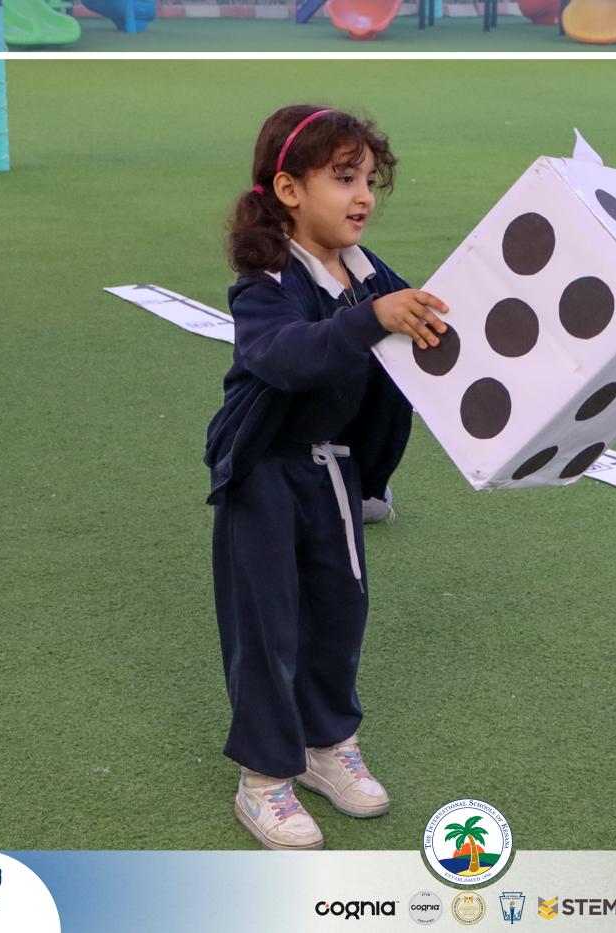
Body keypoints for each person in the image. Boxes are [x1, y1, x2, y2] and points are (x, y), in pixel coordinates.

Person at [204, 105, 449, 850]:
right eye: (343, 178)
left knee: (341, 613)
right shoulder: (266, 281)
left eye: (369, 179)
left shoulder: (370, 272)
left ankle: (325, 745)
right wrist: (374, 318)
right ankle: (263, 779)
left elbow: (430, 335)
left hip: (335, 470)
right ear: (288, 189)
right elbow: (286, 357)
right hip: (264, 473)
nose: (363, 195)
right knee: (268, 627)